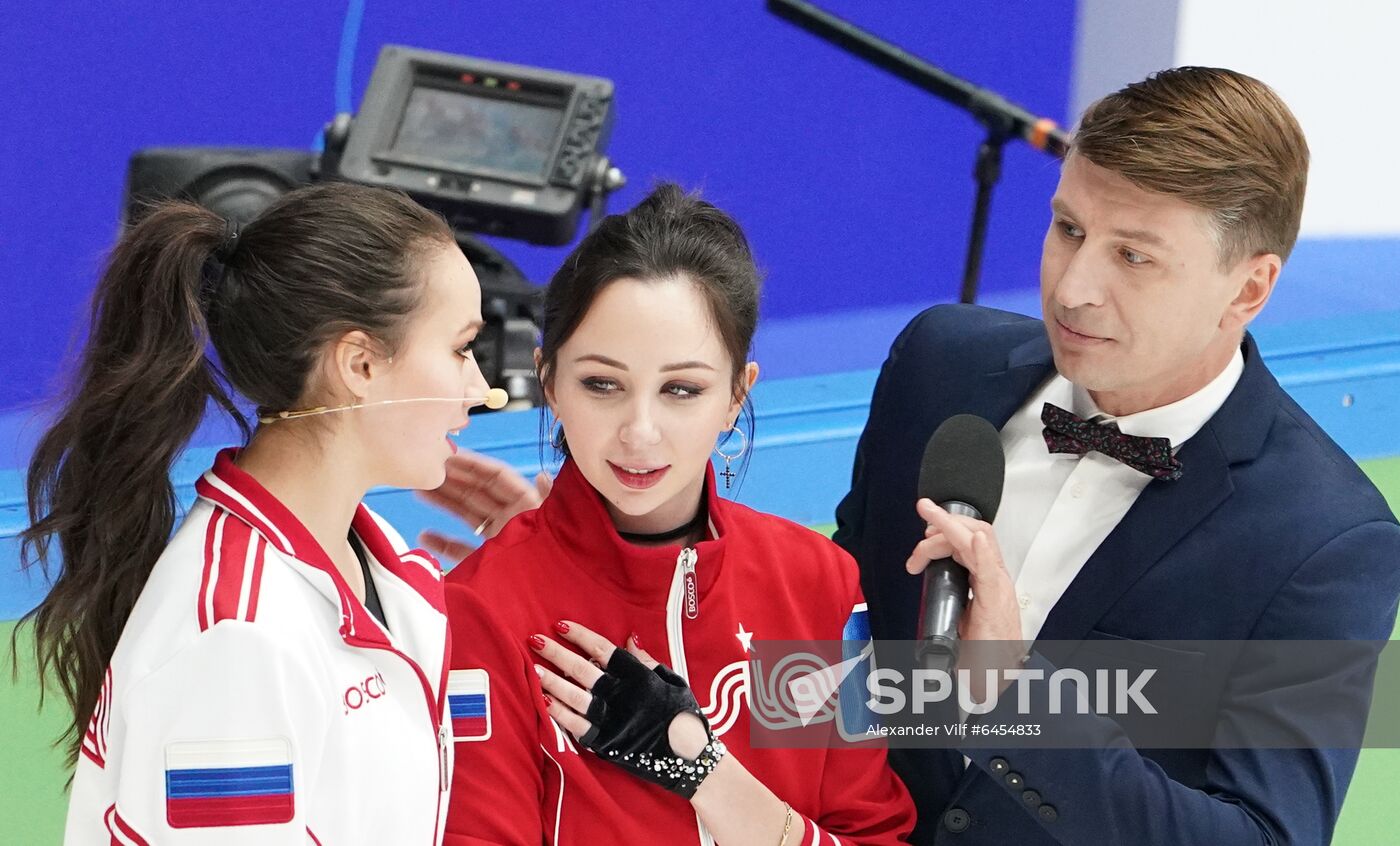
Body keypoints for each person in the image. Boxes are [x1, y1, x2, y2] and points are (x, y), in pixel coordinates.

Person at [833, 67, 1400, 843]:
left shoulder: (1327, 539)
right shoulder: (938, 369)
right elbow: (832, 634)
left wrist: (1016, 697)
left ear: (1250, 288)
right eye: (1068, 228)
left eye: (1133, 257)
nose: (1072, 289)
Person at [433, 184, 916, 844]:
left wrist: (703, 770)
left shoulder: (814, 585)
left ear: (736, 394)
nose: (640, 432)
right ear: (548, 382)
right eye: (601, 384)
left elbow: (871, 835)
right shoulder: (482, 609)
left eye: (681, 389)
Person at [20, 182, 493, 844]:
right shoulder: (239, 634)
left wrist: (535, 572)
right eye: (460, 348)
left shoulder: (377, 555)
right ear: (359, 363)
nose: (481, 389)